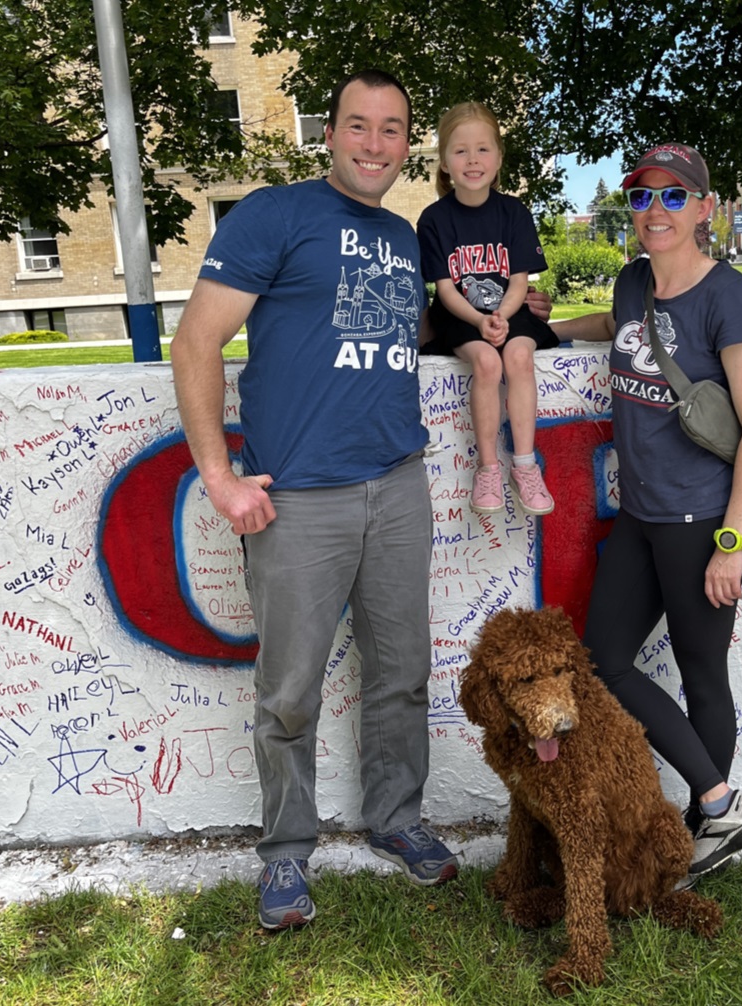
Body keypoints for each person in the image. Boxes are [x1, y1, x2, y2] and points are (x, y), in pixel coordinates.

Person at [171, 69, 460, 932]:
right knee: (290, 690)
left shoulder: (405, 238)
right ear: (328, 133)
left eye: (393, 129)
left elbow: (375, 337)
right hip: (297, 500)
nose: (376, 144)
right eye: (359, 126)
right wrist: (220, 479)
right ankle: (287, 852)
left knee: (402, 676)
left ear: (408, 144)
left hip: (399, 486)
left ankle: (397, 821)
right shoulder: (275, 214)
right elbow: (196, 343)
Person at [550, 143, 742, 886]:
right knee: (604, 658)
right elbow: (612, 329)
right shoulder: (630, 285)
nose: (656, 211)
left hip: (706, 521)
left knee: (701, 675)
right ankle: (721, 804)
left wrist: (732, 542)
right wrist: (547, 330)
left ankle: (705, 819)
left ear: (705, 209)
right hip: (644, 517)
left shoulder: (731, 297)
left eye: (674, 197)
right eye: (644, 196)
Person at [417, 102, 558, 517]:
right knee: (486, 362)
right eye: (460, 151)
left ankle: (525, 465)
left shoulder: (513, 213)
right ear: (444, 161)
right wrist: (480, 320)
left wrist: (501, 315)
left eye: (483, 149)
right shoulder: (434, 220)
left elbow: (518, 281)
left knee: (517, 355)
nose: (472, 160)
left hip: (509, 309)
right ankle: (488, 468)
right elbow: (445, 289)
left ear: (498, 157)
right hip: (459, 314)